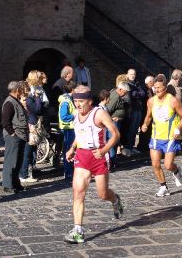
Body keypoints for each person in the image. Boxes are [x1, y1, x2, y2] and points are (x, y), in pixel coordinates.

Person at [64, 85, 123, 244]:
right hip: (82, 156)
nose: (78, 104)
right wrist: (72, 148)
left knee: (103, 194)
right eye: (75, 101)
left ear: (90, 101)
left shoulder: (99, 113)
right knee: (78, 193)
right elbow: (80, 133)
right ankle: (78, 230)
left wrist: (104, 150)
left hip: (98, 156)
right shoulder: (76, 114)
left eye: (81, 101)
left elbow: (116, 134)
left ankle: (115, 200)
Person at [141, 74, 182, 197]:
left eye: (159, 88)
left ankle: (176, 170)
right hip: (156, 137)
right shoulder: (151, 101)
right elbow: (148, 116)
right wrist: (145, 124)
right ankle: (163, 186)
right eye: (155, 88)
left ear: (165, 88)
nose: (156, 90)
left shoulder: (172, 100)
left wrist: (178, 128)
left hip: (170, 138)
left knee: (168, 165)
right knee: (155, 164)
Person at [1, 81, 29, 194]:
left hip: (20, 136)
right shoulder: (9, 103)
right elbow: (5, 121)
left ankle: (15, 184)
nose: (22, 92)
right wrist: (13, 134)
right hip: (14, 136)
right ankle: (8, 185)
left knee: (18, 161)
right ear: (17, 90)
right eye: (21, 90)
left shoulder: (16, 101)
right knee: (11, 161)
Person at [20, 71, 43, 183]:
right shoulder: (29, 97)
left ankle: (26, 173)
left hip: (31, 122)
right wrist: (38, 98)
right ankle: (23, 175)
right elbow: (37, 109)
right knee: (27, 150)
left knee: (29, 150)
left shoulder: (29, 96)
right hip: (31, 124)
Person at [106, 82, 130, 167]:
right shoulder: (115, 96)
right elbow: (108, 109)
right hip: (114, 122)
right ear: (120, 89)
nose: (125, 94)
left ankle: (113, 159)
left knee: (115, 140)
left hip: (116, 121)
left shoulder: (117, 95)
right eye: (125, 91)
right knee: (113, 140)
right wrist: (110, 119)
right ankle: (112, 160)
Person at [123, 69, 145, 156]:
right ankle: (127, 147)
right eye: (131, 74)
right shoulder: (126, 84)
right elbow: (132, 94)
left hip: (138, 108)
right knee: (131, 129)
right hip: (131, 109)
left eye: (134, 74)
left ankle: (131, 146)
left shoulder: (137, 83)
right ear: (127, 75)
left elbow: (143, 94)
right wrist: (137, 93)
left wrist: (137, 93)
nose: (133, 76)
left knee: (135, 129)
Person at [58, 80, 77, 181]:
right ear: (73, 90)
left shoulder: (68, 99)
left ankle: (70, 171)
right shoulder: (66, 101)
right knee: (68, 150)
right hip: (68, 129)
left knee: (70, 150)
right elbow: (64, 116)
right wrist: (74, 115)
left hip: (70, 128)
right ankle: (68, 172)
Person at [137, 75, 155, 153]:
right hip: (145, 112)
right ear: (150, 82)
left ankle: (146, 145)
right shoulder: (144, 89)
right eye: (153, 82)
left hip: (149, 112)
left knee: (149, 130)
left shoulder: (150, 89)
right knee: (144, 129)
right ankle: (142, 145)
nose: (154, 83)